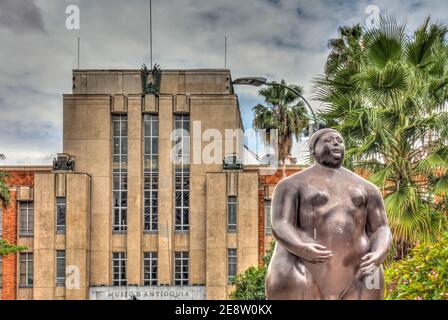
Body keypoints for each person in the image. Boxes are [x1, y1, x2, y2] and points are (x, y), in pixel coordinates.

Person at [265, 128, 392, 300]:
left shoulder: (368, 188)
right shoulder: (291, 185)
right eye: (328, 140)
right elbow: (281, 224)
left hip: (358, 271)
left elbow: (381, 229)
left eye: (339, 140)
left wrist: (378, 253)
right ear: (313, 149)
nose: (335, 143)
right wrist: (301, 247)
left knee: (374, 277)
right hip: (302, 267)